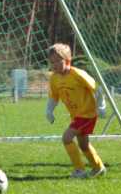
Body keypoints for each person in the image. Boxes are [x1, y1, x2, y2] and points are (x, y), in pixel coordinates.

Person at [45, 43, 106, 178]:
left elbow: (97, 89)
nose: (54, 65)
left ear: (67, 60)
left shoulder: (78, 74)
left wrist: (101, 106)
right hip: (76, 116)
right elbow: (53, 97)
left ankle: (79, 170)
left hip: (87, 114)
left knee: (66, 138)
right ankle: (98, 167)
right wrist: (49, 111)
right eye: (52, 62)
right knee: (84, 145)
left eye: (58, 61)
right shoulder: (54, 78)